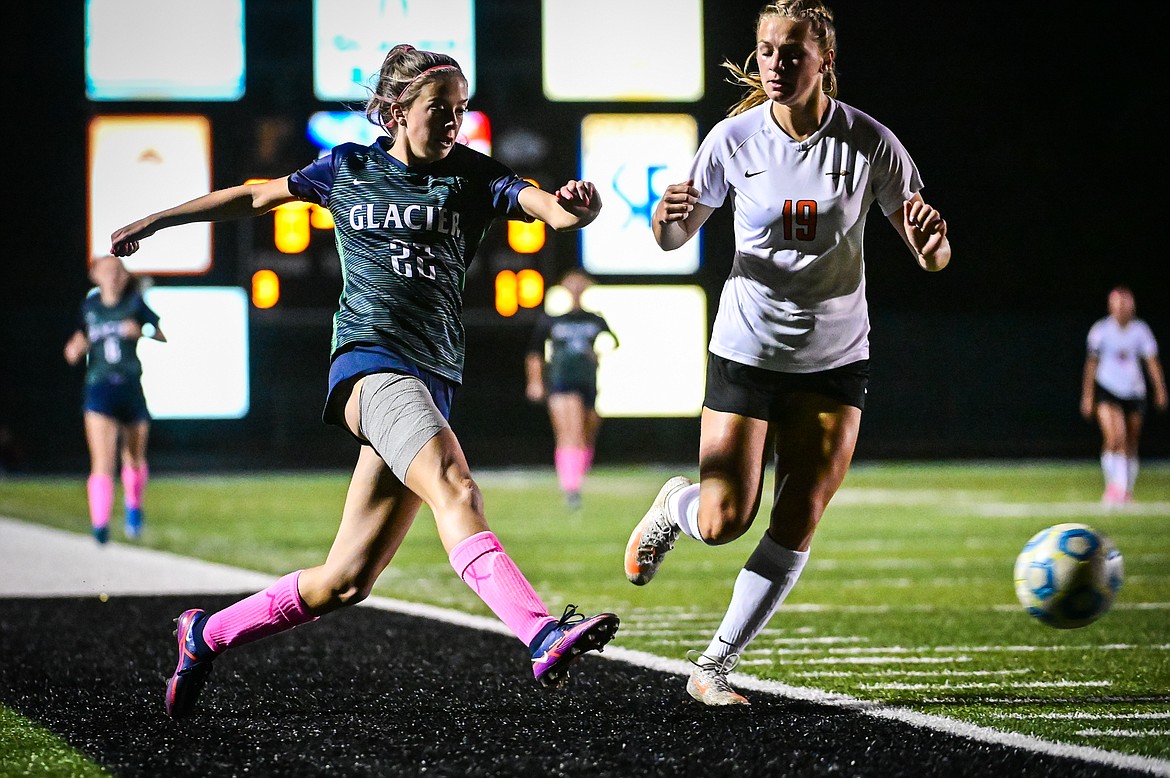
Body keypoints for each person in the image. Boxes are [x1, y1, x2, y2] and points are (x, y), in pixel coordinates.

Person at [110, 44, 619, 719]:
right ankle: (540, 632)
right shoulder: (348, 167)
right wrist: (156, 220)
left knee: (345, 581)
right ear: (398, 111)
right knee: (455, 485)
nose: (453, 123)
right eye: (440, 109)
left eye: (461, 111)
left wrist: (577, 206)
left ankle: (205, 634)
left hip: (429, 380)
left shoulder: (472, 175)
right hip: (371, 365)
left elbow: (548, 210)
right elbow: (255, 196)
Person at [622, 0, 951, 706]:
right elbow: (675, 238)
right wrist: (664, 221)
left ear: (825, 59)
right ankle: (675, 507)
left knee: (799, 513)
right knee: (722, 522)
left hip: (835, 360)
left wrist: (933, 246)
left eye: (793, 51)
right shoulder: (734, 140)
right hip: (746, 349)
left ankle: (713, 666)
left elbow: (931, 251)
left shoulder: (869, 142)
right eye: (768, 49)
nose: (776, 63)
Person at [63, 256, 166, 544]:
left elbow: (160, 334)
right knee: (102, 461)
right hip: (99, 389)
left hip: (131, 387)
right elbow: (79, 342)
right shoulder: (90, 308)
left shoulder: (134, 304)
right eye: (107, 270)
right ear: (96, 275)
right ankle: (100, 526)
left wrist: (142, 331)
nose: (114, 276)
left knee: (133, 458)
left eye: (118, 270)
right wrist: (74, 348)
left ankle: (134, 507)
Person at [525, 269, 618, 510]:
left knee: (587, 433)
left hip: (587, 381)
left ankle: (575, 477)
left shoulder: (594, 319)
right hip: (561, 381)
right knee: (570, 432)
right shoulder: (552, 320)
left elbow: (612, 342)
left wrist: (599, 353)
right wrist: (535, 382)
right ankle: (571, 487)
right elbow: (534, 352)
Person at [1080, 286, 1167, 504]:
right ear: (1110, 306)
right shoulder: (1100, 330)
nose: (1121, 308)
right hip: (1107, 389)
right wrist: (1087, 396)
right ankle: (1114, 486)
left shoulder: (1141, 330)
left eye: (1125, 303)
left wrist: (1160, 390)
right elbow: (1091, 365)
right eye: (1117, 304)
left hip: (1134, 391)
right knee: (1114, 436)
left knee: (1130, 441)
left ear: (1132, 306)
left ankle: (1126, 489)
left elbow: (1151, 362)